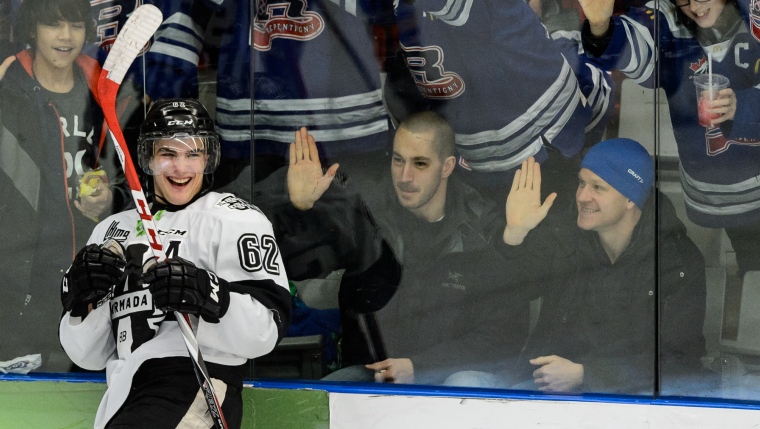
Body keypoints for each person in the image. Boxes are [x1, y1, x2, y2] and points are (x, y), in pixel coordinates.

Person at [58, 99, 292, 429]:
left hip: (196, 383)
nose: (180, 167)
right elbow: (87, 355)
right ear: (148, 159)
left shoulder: (233, 219)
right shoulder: (111, 230)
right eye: (168, 154)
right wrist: (83, 303)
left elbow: (266, 330)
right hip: (126, 394)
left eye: (192, 154)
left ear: (208, 158)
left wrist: (206, 294)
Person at [285, 111, 529, 386]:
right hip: (375, 374)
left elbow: (502, 337)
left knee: (464, 384)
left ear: (447, 167)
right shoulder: (367, 214)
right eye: (398, 160)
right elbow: (299, 270)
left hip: (451, 374)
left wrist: (419, 367)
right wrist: (303, 210)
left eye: (420, 164)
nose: (404, 176)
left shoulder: (481, 228)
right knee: (326, 394)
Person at [500, 138, 709, 394]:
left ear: (631, 199)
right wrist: (514, 235)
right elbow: (505, 294)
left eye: (598, 187)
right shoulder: (566, 235)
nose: (582, 196)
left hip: (631, 399)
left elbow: (680, 361)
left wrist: (587, 375)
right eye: (581, 183)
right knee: (468, 381)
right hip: (548, 388)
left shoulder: (678, 262)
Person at [578, 0, 760, 275]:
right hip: (719, 190)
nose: (694, 6)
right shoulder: (665, 16)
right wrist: (602, 27)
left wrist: (742, 108)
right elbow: (636, 48)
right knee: (752, 266)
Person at [0, 0, 127, 371]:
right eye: (53, 25)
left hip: (93, 280)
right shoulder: (8, 91)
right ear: (33, 30)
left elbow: (137, 181)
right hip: (20, 285)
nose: (66, 36)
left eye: (75, 25)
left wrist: (110, 199)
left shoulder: (106, 92)